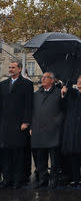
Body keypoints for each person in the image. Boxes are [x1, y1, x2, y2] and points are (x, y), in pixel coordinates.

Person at [0, 60, 33, 189]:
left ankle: (17, 180)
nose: (10, 69)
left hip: (19, 125)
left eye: (13, 67)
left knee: (18, 154)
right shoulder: (3, 84)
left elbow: (28, 104)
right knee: (5, 154)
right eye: (9, 67)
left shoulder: (27, 84)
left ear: (19, 69)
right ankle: (7, 179)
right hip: (5, 125)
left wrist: (26, 121)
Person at [30, 72, 64, 189]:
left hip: (54, 130)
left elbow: (63, 111)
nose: (42, 79)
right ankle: (43, 179)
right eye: (42, 77)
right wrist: (32, 126)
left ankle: (54, 179)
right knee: (40, 157)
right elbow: (32, 111)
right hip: (39, 129)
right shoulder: (36, 94)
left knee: (54, 158)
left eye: (45, 77)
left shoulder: (59, 93)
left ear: (52, 80)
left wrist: (55, 123)